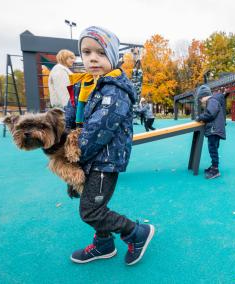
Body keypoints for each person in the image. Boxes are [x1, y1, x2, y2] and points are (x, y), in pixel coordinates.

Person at [64, 26, 155, 265]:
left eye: (101, 53)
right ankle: (104, 244)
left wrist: (70, 156)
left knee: (91, 210)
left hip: (104, 160)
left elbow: (97, 133)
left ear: (113, 57)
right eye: (87, 52)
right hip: (89, 157)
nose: (93, 58)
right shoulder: (84, 85)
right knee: (96, 203)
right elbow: (69, 117)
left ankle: (136, 233)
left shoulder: (114, 90)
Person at [195, 85, 226, 179]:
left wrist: (200, 118)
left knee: (213, 149)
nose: (200, 101)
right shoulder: (213, 101)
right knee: (213, 148)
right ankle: (213, 166)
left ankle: (215, 169)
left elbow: (210, 114)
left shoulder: (212, 101)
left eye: (200, 98)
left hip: (214, 130)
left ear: (204, 96)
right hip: (215, 129)